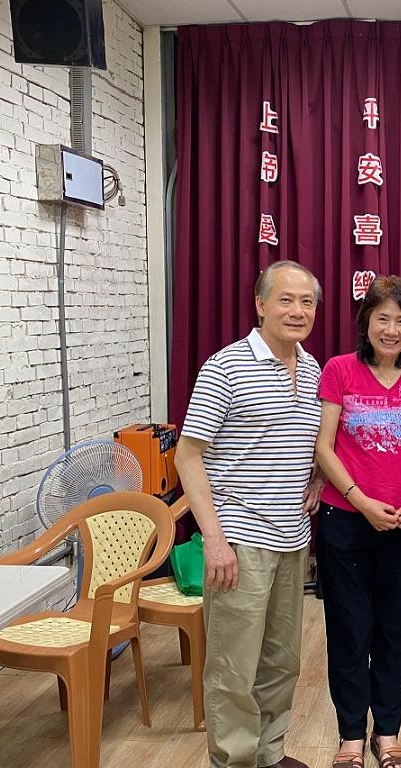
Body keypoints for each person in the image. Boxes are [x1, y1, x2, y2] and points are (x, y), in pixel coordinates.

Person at [175, 260, 325, 768]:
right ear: (260, 305)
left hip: (293, 538)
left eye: (307, 302)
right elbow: (188, 456)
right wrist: (214, 540)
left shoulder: (312, 368)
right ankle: (234, 760)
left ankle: (269, 753)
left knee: (282, 659)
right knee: (232, 666)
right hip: (238, 539)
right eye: (286, 299)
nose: (297, 311)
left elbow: (305, 440)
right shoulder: (226, 367)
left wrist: (317, 476)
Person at [314, 276, 401, 768]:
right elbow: (324, 446)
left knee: (393, 630)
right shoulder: (340, 369)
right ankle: (350, 736)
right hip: (346, 518)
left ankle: (387, 732)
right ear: (366, 322)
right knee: (349, 628)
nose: (391, 329)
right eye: (382, 318)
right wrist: (360, 500)